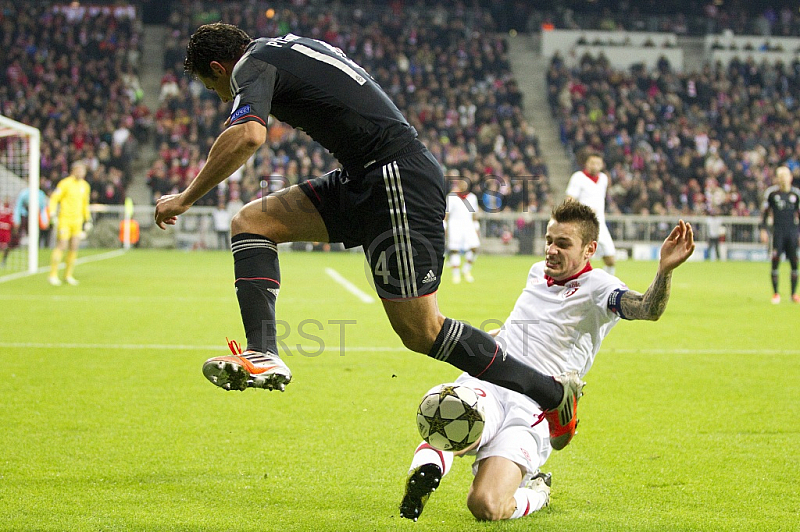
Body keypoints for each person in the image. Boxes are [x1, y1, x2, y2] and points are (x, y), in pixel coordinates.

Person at [154, 24, 582, 447]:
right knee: (252, 222)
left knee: (421, 331)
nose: (217, 94)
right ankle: (262, 353)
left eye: (212, 86)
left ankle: (550, 393)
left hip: (396, 178)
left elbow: (247, 135)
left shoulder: (251, 66)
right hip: (366, 176)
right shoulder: (283, 48)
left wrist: (186, 197)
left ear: (217, 66)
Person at [399, 199, 695, 522]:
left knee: (486, 505)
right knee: (452, 411)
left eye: (563, 244)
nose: (551, 250)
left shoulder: (599, 288)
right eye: (549, 241)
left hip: (534, 407)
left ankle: (537, 491)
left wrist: (663, 271)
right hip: (492, 381)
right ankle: (423, 477)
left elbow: (647, 309)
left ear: (589, 249)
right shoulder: (536, 272)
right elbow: (529, 322)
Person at [566, 150, 616, 275]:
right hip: (584, 224)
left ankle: (607, 286)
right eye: (592, 163)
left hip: (600, 224)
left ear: (602, 164)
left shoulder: (603, 179)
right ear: (586, 164)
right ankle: (580, 285)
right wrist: (584, 210)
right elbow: (569, 200)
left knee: (610, 259)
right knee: (585, 259)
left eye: (597, 163)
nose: (595, 165)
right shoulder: (578, 177)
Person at [760, 166, 800, 304]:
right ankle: (776, 293)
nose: (783, 178)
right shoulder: (771, 193)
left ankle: (794, 294)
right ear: (777, 178)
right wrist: (763, 230)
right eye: (780, 176)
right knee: (775, 261)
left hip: (792, 232)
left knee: (794, 262)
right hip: (778, 232)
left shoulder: (796, 194)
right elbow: (764, 214)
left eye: (785, 175)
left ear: (790, 177)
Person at [48, 161, 92, 286]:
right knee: (62, 245)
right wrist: (52, 213)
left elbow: (85, 204)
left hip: (77, 222)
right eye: (79, 170)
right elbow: (54, 198)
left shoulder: (85, 186)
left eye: (83, 171)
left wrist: (87, 220)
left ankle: (68, 275)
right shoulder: (65, 183)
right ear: (73, 170)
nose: (81, 173)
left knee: (74, 246)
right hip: (65, 220)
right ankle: (53, 274)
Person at [445, 177, 480, 284]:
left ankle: (466, 270)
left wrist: (476, 227)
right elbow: (447, 214)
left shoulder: (472, 197)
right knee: (454, 249)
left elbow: (474, 214)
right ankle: (456, 274)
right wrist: (445, 226)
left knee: (475, 247)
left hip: (468, 224)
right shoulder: (451, 197)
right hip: (455, 224)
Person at [13, 178, 50, 250]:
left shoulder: (40, 194)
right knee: (16, 236)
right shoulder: (24, 193)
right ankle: (10, 250)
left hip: (35, 217)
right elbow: (18, 206)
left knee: (35, 235)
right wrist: (16, 220)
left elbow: (43, 208)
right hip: (24, 217)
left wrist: (45, 220)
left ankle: (32, 249)